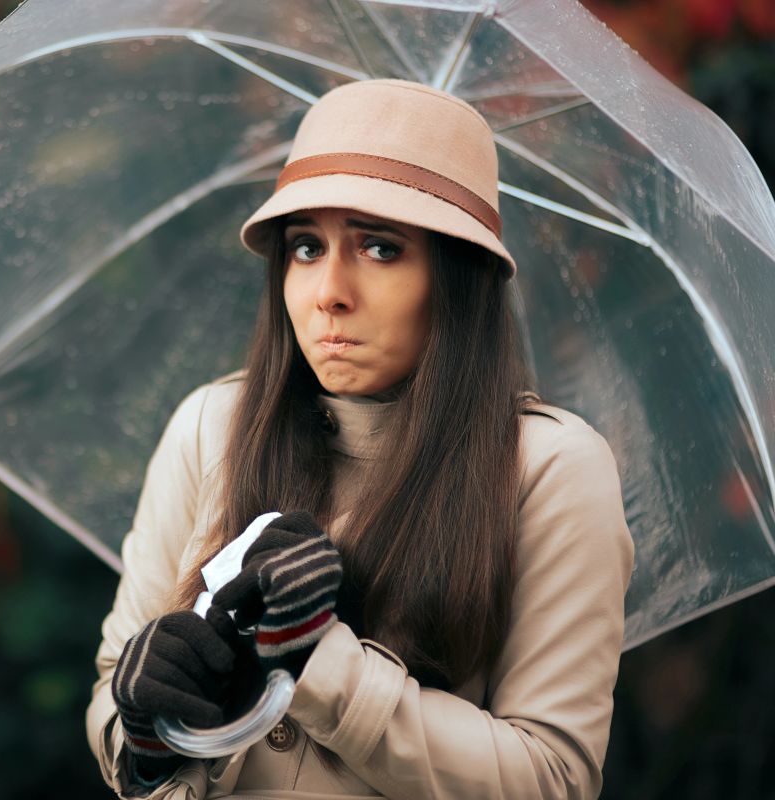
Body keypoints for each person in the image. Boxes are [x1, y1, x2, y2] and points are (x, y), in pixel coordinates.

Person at [85, 79, 635, 799]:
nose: (329, 291)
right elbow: (111, 701)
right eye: (307, 246)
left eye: (380, 248)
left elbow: (552, 778)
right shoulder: (210, 429)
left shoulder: (549, 469)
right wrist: (153, 728)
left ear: (456, 278)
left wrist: (321, 662)